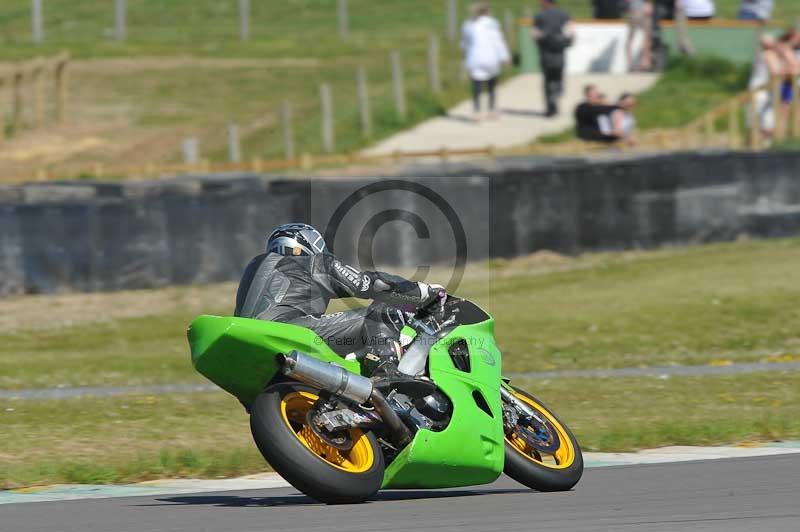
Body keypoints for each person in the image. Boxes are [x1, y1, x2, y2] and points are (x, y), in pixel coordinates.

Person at [234, 223, 445, 378]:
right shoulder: (313, 262)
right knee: (385, 307)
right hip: (288, 331)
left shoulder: (253, 270)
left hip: (249, 345)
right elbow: (372, 285)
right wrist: (423, 292)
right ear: (308, 244)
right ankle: (387, 373)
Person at [461, 2, 511, 121]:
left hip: (475, 57)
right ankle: (492, 109)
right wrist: (505, 57)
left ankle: (477, 111)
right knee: (492, 84)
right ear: (487, 11)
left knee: (476, 85)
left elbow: (465, 43)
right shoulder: (492, 23)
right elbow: (498, 41)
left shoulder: (468, 24)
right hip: (491, 57)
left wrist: (465, 57)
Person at [533, 0, 574, 117]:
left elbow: (535, 34)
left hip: (545, 52)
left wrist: (539, 43)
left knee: (547, 79)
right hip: (559, 52)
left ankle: (550, 108)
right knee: (558, 75)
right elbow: (571, 32)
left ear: (546, 2)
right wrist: (568, 43)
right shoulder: (564, 14)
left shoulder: (540, 15)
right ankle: (557, 92)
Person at [748, 34, 783, 141]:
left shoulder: (760, 54)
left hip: (758, 88)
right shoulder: (769, 55)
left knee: (757, 119)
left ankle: (758, 142)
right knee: (765, 120)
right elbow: (776, 72)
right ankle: (763, 144)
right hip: (763, 90)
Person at [626, 0, 654, 71]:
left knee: (647, 38)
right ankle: (630, 64)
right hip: (634, 11)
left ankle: (645, 63)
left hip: (644, 11)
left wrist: (649, 4)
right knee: (631, 39)